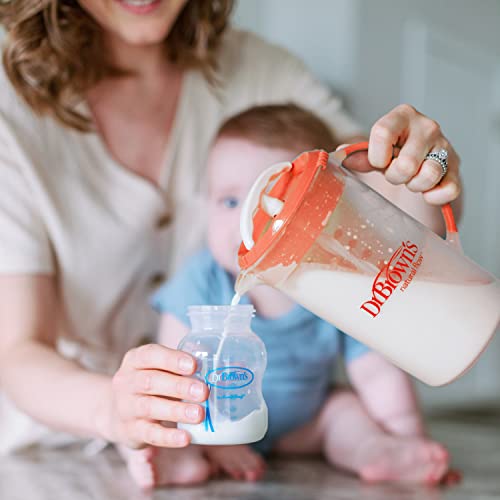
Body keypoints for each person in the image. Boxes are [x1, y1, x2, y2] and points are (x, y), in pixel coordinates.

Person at [0, 0, 461, 490]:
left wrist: (423, 166)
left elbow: (383, 204)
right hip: (60, 452)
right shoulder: (14, 116)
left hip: (295, 430)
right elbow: (18, 350)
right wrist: (118, 411)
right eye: (227, 201)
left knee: (343, 415)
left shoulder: (260, 70)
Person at [149, 103, 453, 488]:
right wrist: (214, 438)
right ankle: (184, 459)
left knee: (344, 413)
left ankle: (378, 452)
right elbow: (173, 371)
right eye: (229, 202)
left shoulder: (332, 284)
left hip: (306, 423)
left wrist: (408, 435)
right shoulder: (202, 278)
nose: (250, 223)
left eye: (273, 201)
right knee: (160, 421)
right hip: (217, 422)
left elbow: (376, 373)